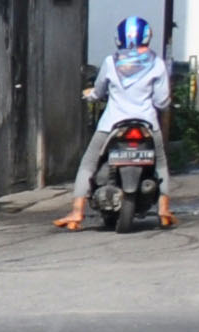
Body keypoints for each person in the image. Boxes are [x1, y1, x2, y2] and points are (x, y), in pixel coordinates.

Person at [66, 16, 167, 225]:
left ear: (118, 39)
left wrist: (90, 95)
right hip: (147, 122)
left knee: (89, 162)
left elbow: (99, 90)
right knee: (161, 163)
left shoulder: (111, 62)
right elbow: (162, 100)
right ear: (147, 38)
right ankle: (165, 210)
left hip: (112, 123)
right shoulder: (157, 63)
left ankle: (76, 213)